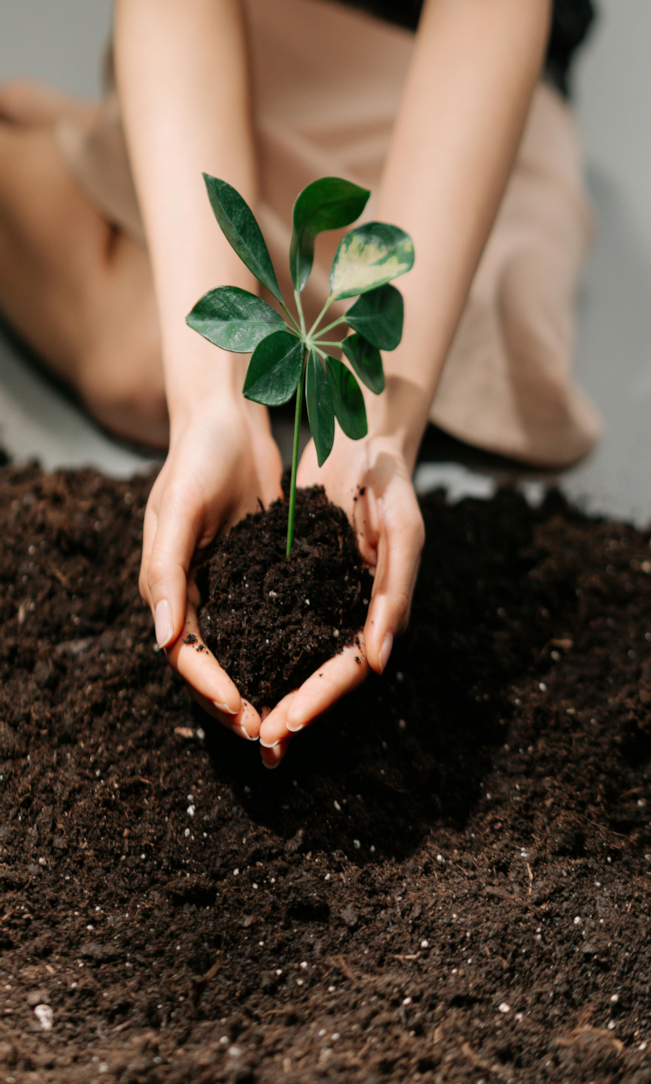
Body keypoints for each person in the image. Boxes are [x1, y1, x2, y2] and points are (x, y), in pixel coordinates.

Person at [0, 0, 598, 767]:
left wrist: (375, 434)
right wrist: (213, 403)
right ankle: (66, 149)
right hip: (251, 32)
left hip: (454, 60)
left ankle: (95, 161)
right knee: (142, 366)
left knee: (501, 365)